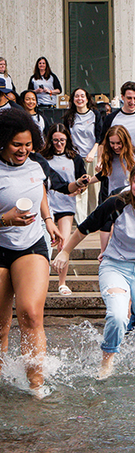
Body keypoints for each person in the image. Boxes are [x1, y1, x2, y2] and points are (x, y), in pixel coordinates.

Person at [52, 160, 135, 378]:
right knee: (117, 315)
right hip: (116, 266)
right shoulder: (116, 203)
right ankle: (108, 359)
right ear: (130, 182)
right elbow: (85, 227)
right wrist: (65, 252)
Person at [0, 110, 72, 395]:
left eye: (28, 145)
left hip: (31, 245)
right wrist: (6, 219)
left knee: (30, 314)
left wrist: (49, 220)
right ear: (3, 142)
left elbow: (40, 190)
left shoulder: (35, 164)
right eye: (17, 144)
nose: (23, 150)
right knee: (1, 326)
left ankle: (36, 385)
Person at [41, 124, 88, 296]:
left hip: (66, 204)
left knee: (64, 244)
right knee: (46, 244)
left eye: (62, 140)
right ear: (50, 141)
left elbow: (82, 180)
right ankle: (42, 280)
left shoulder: (74, 158)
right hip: (47, 204)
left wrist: (79, 188)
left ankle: (62, 282)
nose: (58, 144)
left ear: (67, 140)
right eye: (55, 140)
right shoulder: (43, 158)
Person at [98, 81, 135, 155]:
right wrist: (100, 161)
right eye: (129, 98)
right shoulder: (111, 118)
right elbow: (102, 143)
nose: (132, 102)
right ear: (122, 97)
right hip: (118, 163)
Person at [96, 125, 135, 204]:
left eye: (119, 143)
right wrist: (85, 181)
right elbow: (103, 174)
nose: (116, 147)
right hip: (114, 198)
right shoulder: (109, 156)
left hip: (131, 198)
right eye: (112, 143)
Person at [62, 87, 101, 167]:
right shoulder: (69, 116)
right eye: (76, 96)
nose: (79, 98)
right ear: (73, 100)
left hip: (92, 157)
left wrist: (92, 153)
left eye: (82, 96)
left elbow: (100, 136)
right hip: (75, 157)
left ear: (87, 99)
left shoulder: (95, 114)